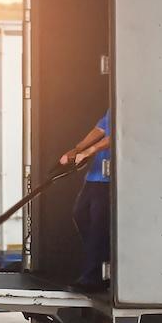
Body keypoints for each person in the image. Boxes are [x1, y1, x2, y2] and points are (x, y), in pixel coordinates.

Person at [60, 109, 111, 292]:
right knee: (80, 215)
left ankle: (93, 277)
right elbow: (100, 130)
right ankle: (101, 260)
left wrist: (90, 151)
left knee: (98, 225)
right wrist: (77, 149)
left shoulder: (131, 106)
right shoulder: (113, 108)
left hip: (110, 179)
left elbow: (118, 134)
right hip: (95, 176)